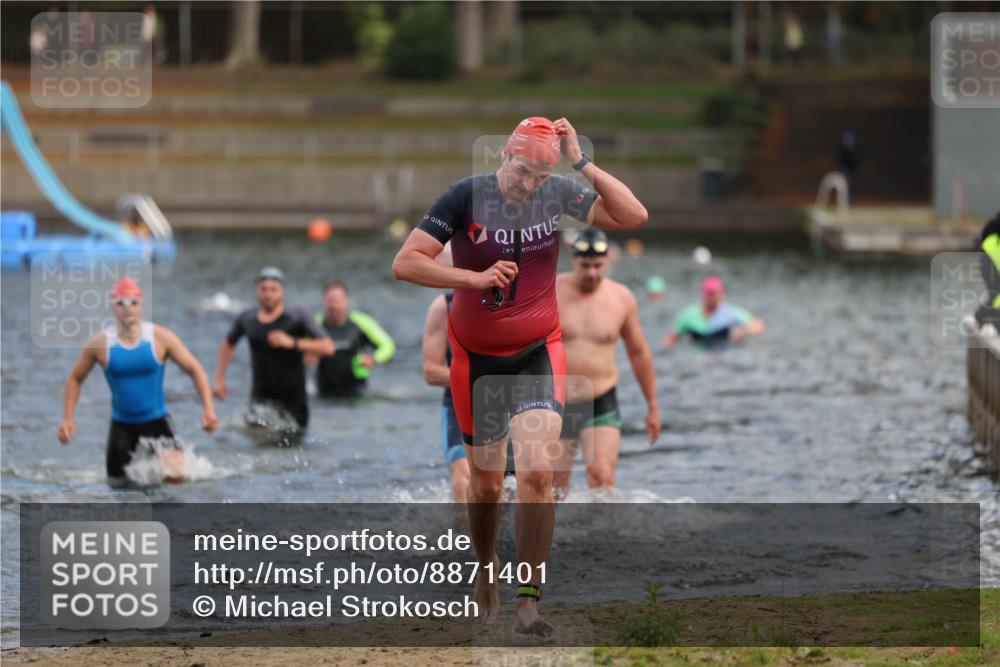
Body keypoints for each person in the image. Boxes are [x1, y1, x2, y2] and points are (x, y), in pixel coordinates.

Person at [392, 116, 648, 635]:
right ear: (505, 155)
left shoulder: (556, 194)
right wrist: (473, 276)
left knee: (536, 474)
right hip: (476, 360)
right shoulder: (463, 197)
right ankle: (485, 568)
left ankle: (529, 601)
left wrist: (581, 161)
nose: (528, 183)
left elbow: (632, 214)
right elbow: (406, 262)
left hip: (538, 351)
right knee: (485, 487)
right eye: (523, 170)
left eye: (539, 174)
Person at [57, 278, 218, 481]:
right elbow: (75, 378)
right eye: (121, 303)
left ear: (141, 305)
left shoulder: (161, 338)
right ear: (112, 307)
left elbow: (194, 369)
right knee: (118, 488)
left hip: (157, 423)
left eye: (133, 302)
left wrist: (209, 409)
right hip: (121, 429)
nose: (128, 308)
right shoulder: (99, 344)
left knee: (175, 477)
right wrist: (68, 418)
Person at [553, 229, 661, 497]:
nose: (591, 273)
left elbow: (638, 352)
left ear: (608, 261)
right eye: (585, 265)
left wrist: (652, 405)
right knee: (554, 488)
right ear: (574, 260)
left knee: (602, 480)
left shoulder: (622, 298)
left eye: (598, 265)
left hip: (601, 400)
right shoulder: (550, 291)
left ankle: (598, 540)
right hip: (556, 402)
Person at [213, 267, 334, 431]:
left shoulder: (297, 317)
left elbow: (328, 347)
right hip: (260, 400)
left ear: (281, 292)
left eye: (273, 289)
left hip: (294, 403)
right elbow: (227, 344)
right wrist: (220, 379)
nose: (268, 294)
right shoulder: (247, 319)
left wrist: (292, 343)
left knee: (292, 449)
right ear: (257, 291)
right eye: (263, 289)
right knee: (258, 448)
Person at [422, 291, 470, 502]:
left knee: (510, 486)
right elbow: (431, 372)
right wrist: (478, 381)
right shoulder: (444, 307)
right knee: (462, 480)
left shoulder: (513, 299)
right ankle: (463, 535)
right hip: (459, 406)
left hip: (506, 404)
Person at [312, 281, 395, 398]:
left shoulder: (362, 322)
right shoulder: (315, 324)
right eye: (330, 301)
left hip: (357, 391)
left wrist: (374, 359)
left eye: (337, 300)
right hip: (324, 391)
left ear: (347, 301)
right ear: (324, 302)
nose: (334, 305)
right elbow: (299, 347)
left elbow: (388, 345)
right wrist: (308, 355)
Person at [665, 275, 765, 348]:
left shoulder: (729, 313)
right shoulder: (688, 315)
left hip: (721, 352)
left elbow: (759, 325)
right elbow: (672, 338)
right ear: (705, 295)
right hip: (696, 353)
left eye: (719, 293)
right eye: (712, 293)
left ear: (723, 294)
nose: (716, 297)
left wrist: (743, 331)